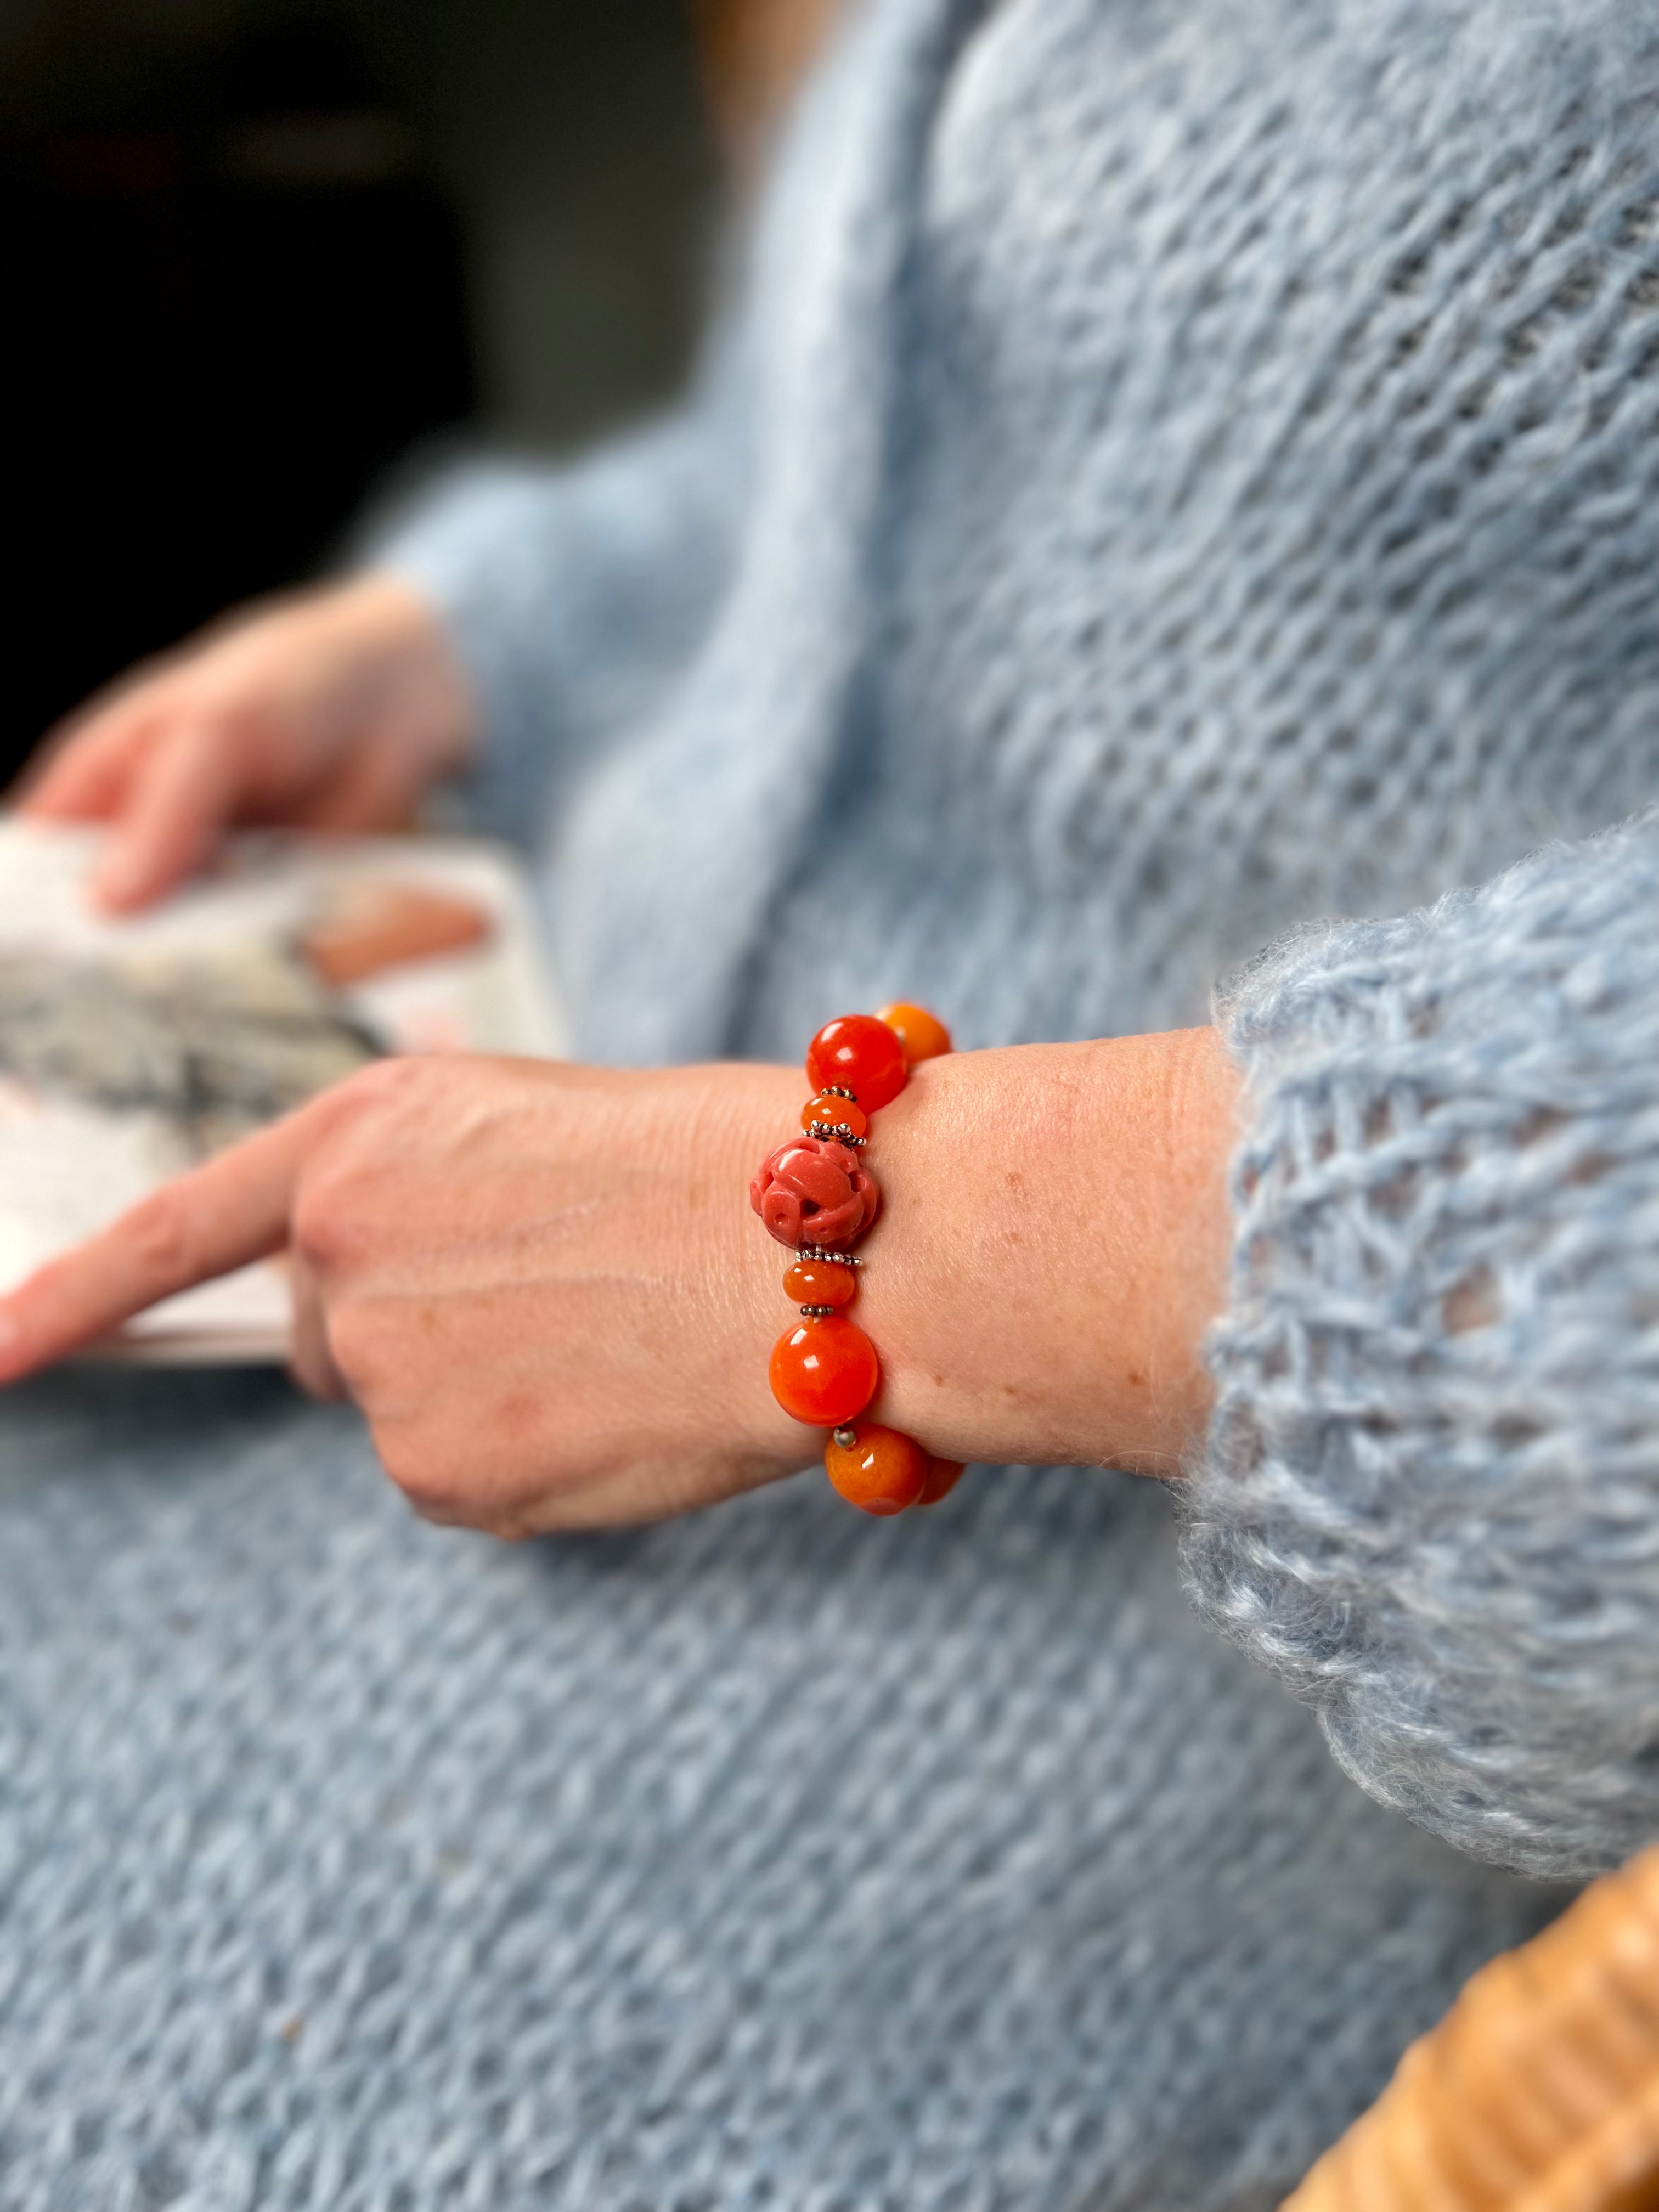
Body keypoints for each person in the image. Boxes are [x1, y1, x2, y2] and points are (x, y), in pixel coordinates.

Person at [7, 0, 1659, 2196]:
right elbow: (871, 432)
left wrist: (883, 1246)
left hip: (1164, 1631)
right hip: (498, 1143)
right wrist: (471, 639)